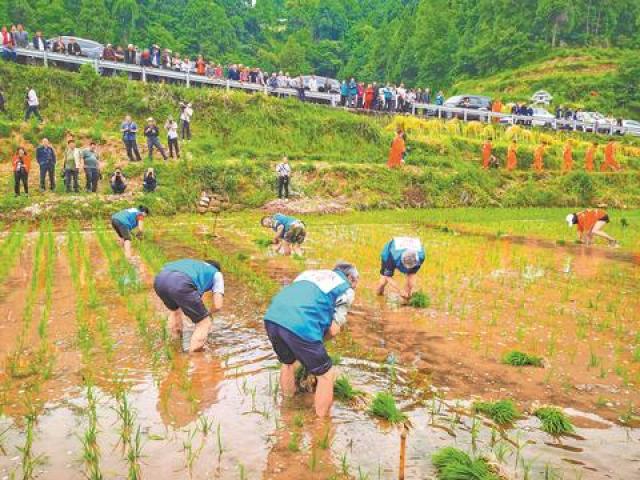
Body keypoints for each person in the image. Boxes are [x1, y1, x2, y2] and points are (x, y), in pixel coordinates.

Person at [263, 262, 358, 417]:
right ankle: (321, 424)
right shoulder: (346, 289)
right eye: (355, 282)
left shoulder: (309, 273)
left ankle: (287, 409)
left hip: (273, 317)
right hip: (301, 323)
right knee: (326, 374)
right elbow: (334, 330)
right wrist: (315, 345)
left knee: (288, 363)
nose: (355, 286)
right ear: (350, 278)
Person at [154, 259, 224, 353]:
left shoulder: (193, 264)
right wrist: (207, 314)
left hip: (160, 280)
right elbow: (218, 305)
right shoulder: (216, 273)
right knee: (204, 323)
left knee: (175, 311)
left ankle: (175, 349)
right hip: (181, 283)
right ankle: (194, 357)